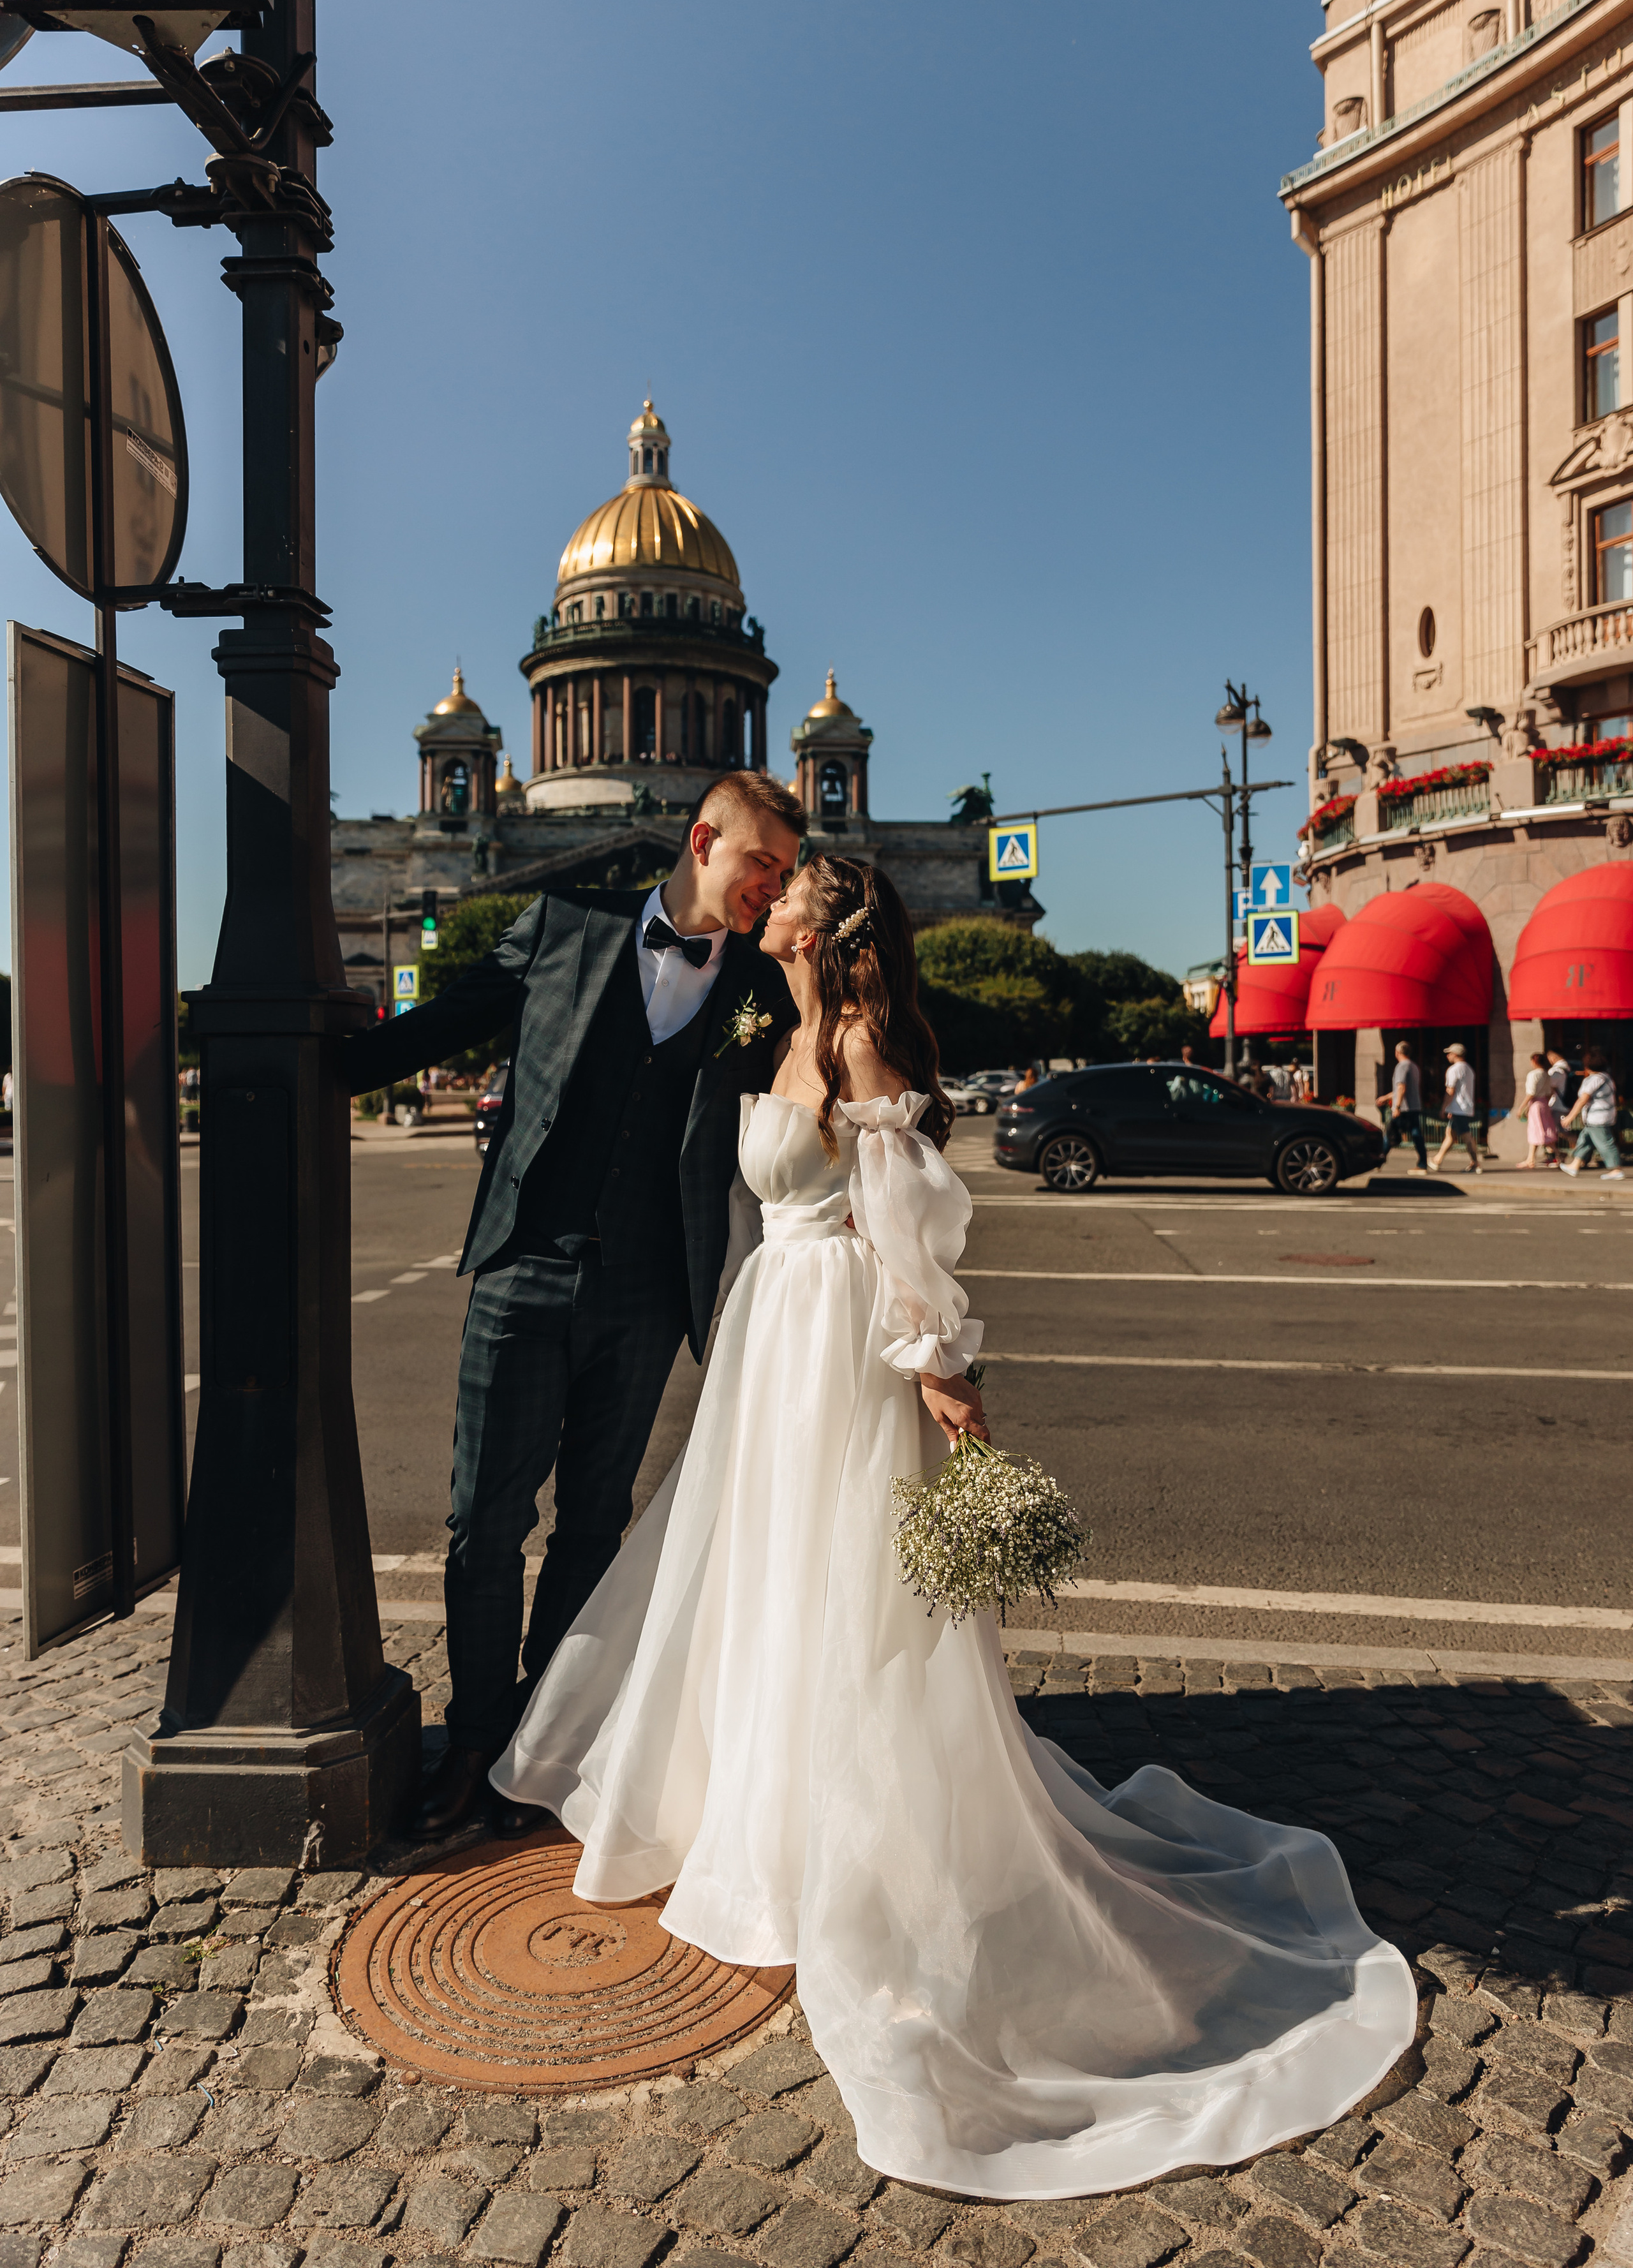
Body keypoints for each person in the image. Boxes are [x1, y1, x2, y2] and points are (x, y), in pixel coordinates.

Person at [491, 854, 1415, 2200]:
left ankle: (847, 1853)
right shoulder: (794, 1025)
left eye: (787, 892)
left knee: (844, 1591)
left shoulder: (858, 1039)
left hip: (837, 1352)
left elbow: (903, 1220)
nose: (766, 906)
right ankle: (759, 1813)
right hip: (774, 1347)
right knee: (764, 1582)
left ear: (827, 925)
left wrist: (937, 1369)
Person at [341, 769, 808, 1839]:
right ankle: (474, 1738)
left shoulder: (763, 989)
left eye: (784, 876)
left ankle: (540, 1747)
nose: (770, 891)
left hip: (651, 1293)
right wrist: (299, 1065)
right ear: (701, 841)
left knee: (593, 1524)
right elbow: (443, 1023)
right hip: (526, 1267)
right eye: (759, 867)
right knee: (484, 1522)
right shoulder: (565, 925)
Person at [1563, 1044, 1623, 1178]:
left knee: (1605, 1142)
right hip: (1603, 1116)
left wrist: (1570, 1117)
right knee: (1585, 1140)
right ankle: (1575, 1164)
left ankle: (1616, 1169)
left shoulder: (1593, 1080)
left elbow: (1583, 1099)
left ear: (1587, 1066)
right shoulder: (1607, 1078)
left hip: (1597, 1118)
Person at [1430, 1041, 1481, 1174]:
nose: (1448, 1056)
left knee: (1466, 1135)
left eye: (1450, 1053)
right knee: (1450, 1134)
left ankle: (1475, 1163)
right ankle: (1438, 1159)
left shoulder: (1453, 1070)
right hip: (1464, 1107)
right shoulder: (1469, 1069)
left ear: (1456, 1054)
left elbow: (1450, 1091)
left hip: (1458, 1108)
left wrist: (1444, 1108)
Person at [1377, 1041, 1427, 1171]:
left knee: (1390, 1133)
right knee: (1416, 1134)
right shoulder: (1414, 1066)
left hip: (1404, 1108)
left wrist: (1397, 1107)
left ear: (1398, 1052)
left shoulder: (1402, 1067)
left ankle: (1379, 1159)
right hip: (1415, 1106)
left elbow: (1401, 1087)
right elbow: (1401, 1089)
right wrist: (1386, 1097)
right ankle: (1423, 1162)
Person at [1519, 1051, 1564, 1171]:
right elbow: (1551, 1092)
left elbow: (1531, 1093)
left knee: (1538, 1130)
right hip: (1544, 1103)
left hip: (1536, 1104)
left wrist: (1522, 1107)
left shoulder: (1533, 1074)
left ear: (1533, 1061)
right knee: (1543, 1130)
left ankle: (1556, 1155)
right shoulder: (1546, 1074)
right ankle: (1531, 1158)